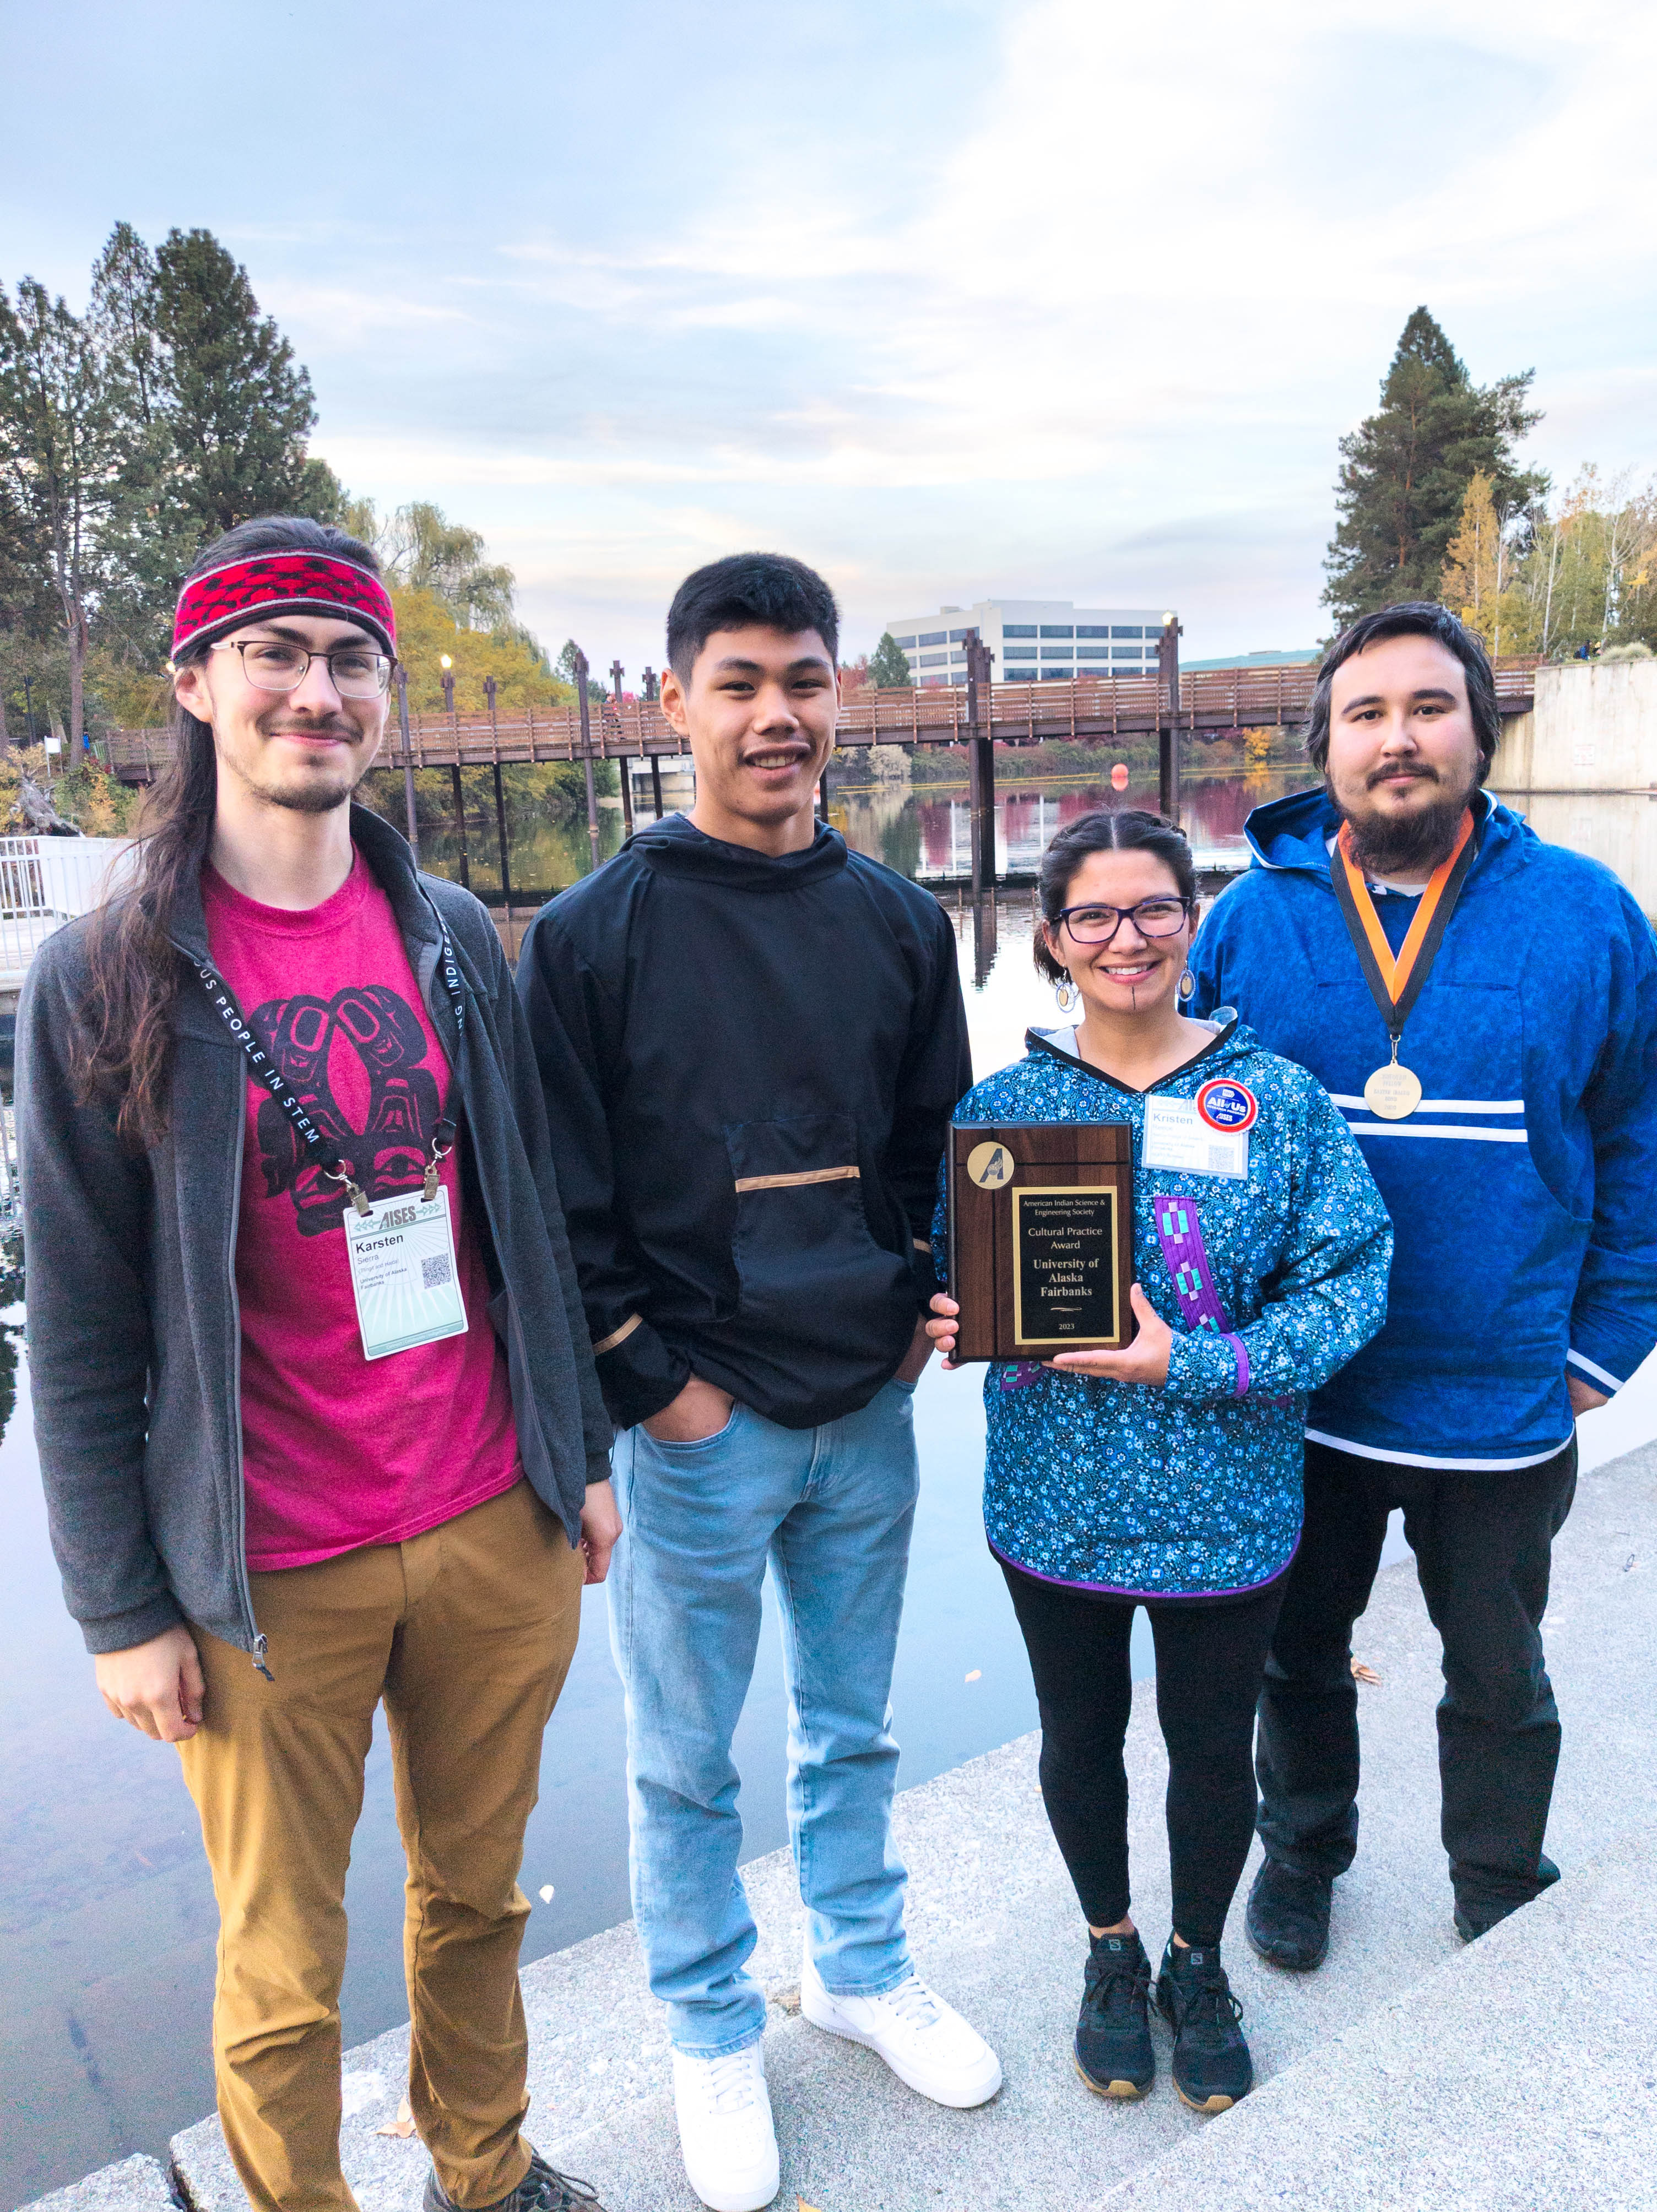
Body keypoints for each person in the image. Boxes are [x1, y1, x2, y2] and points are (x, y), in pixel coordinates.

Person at [19, 517, 619, 2212]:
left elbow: (526, 1216)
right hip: (266, 1569)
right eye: (273, 653)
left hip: (493, 1515)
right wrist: (120, 1608)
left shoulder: (448, 934)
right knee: (285, 1963)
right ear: (198, 687)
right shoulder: (103, 976)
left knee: (481, 1902)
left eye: (350, 657)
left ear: (386, 699)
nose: (316, 691)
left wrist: (573, 1455)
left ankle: (484, 2175)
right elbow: (77, 1330)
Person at [517, 553, 999, 2212]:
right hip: (702, 1423)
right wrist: (654, 1390)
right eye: (739, 682)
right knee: (684, 1754)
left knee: (855, 1725)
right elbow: (562, 1196)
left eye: (804, 678)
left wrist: (948, 1291)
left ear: (839, 697)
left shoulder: (896, 921)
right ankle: (713, 2029)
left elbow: (939, 1142)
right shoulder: (591, 937)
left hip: (867, 1404)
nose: (777, 713)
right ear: (676, 705)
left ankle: (861, 1970)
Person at [1189, 601, 1657, 1966]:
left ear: (1479, 729)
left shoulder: (1586, 913)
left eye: (1428, 708)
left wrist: (1605, 1341)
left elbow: (1636, 1138)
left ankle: (1495, 1878)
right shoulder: (1247, 923)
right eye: (1366, 714)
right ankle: (1303, 1853)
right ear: (1324, 745)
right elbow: (1197, 1151)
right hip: (1309, 1386)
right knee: (1296, 1648)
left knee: (1498, 1667)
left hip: (1501, 1385)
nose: (1398, 740)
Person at [925, 809, 1390, 2114]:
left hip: (1226, 1500)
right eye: (1093, 915)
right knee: (1079, 1734)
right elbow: (956, 1273)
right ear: (1052, 939)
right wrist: (954, 1318)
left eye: (1152, 910)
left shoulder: (1278, 1099)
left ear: (1194, 921)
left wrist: (1194, 1362)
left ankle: (1197, 1963)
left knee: (1204, 1745)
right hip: (1055, 1498)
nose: (1124, 938)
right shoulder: (1003, 1107)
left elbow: (1351, 1282)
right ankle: (1108, 1952)